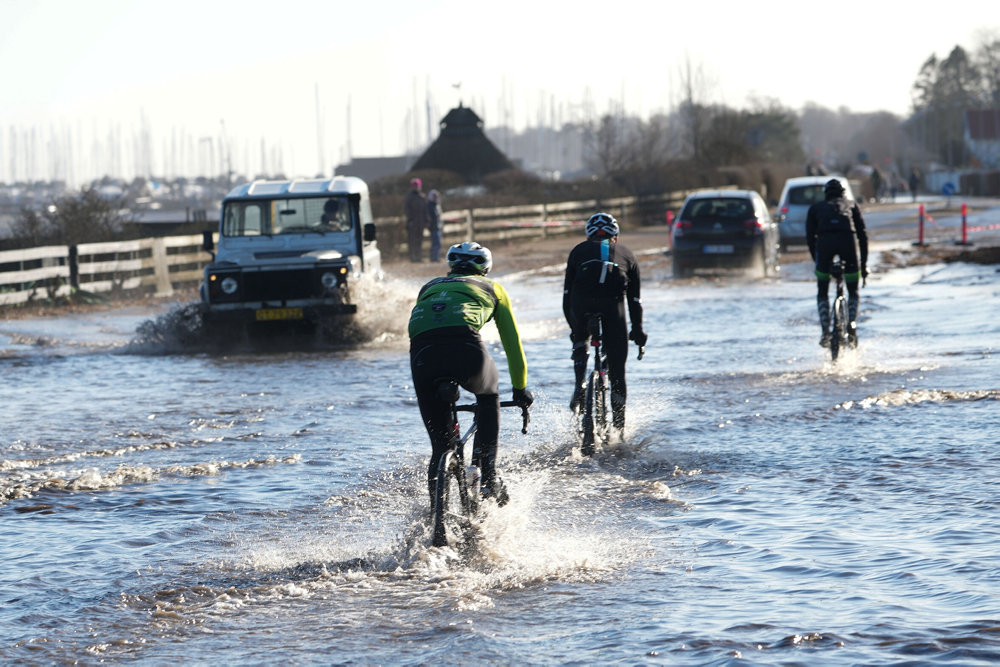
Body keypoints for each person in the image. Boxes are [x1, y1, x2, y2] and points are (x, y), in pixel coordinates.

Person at [409, 241, 533, 507]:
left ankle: (435, 518)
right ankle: (488, 476)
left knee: (441, 448)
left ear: (451, 267)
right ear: (485, 269)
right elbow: (512, 343)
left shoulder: (429, 287)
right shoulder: (493, 288)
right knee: (489, 397)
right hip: (465, 348)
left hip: (422, 354)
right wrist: (520, 388)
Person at [563, 212, 645, 434]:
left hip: (582, 305)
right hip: (613, 308)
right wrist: (637, 331)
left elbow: (567, 296)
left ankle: (579, 382)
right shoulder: (627, 253)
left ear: (589, 236)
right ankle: (619, 430)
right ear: (615, 237)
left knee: (581, 339)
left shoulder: (578, 250)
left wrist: (575, 330)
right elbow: (634, 300)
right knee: (617, 371)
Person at [805, 178, 869, 348]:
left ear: (825, 194)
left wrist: (817, 263)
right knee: (853, 290)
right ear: (843, 193)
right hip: (847, 243)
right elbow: (862, 237)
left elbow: (810, 239)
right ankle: (852, 325)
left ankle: (825, 331)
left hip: (824, 246)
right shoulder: (852, 205)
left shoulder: (815, 208)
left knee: (823, 290)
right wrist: (863, 266)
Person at [404, 178, 429, 262]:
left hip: (421, 222)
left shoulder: (422, 197)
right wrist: (410, 219)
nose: (416, 187)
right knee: (412, 241)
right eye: (415, 186)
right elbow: (407, 209)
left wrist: (426, 220)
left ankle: (419, 257)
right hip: (412, 222)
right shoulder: (409, 197)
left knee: (419, 240)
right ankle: (413, 257)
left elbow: (426, 210)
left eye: (417, 186)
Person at [427, 189, 443, 262]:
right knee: (435, 244)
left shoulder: (437, 205)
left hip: (438, 227)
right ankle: (434, 258)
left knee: (439, 243)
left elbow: (439, 216)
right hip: (433, 227)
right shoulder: (429, 205)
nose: (436, 198)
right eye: (434, 196)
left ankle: (437, 257)